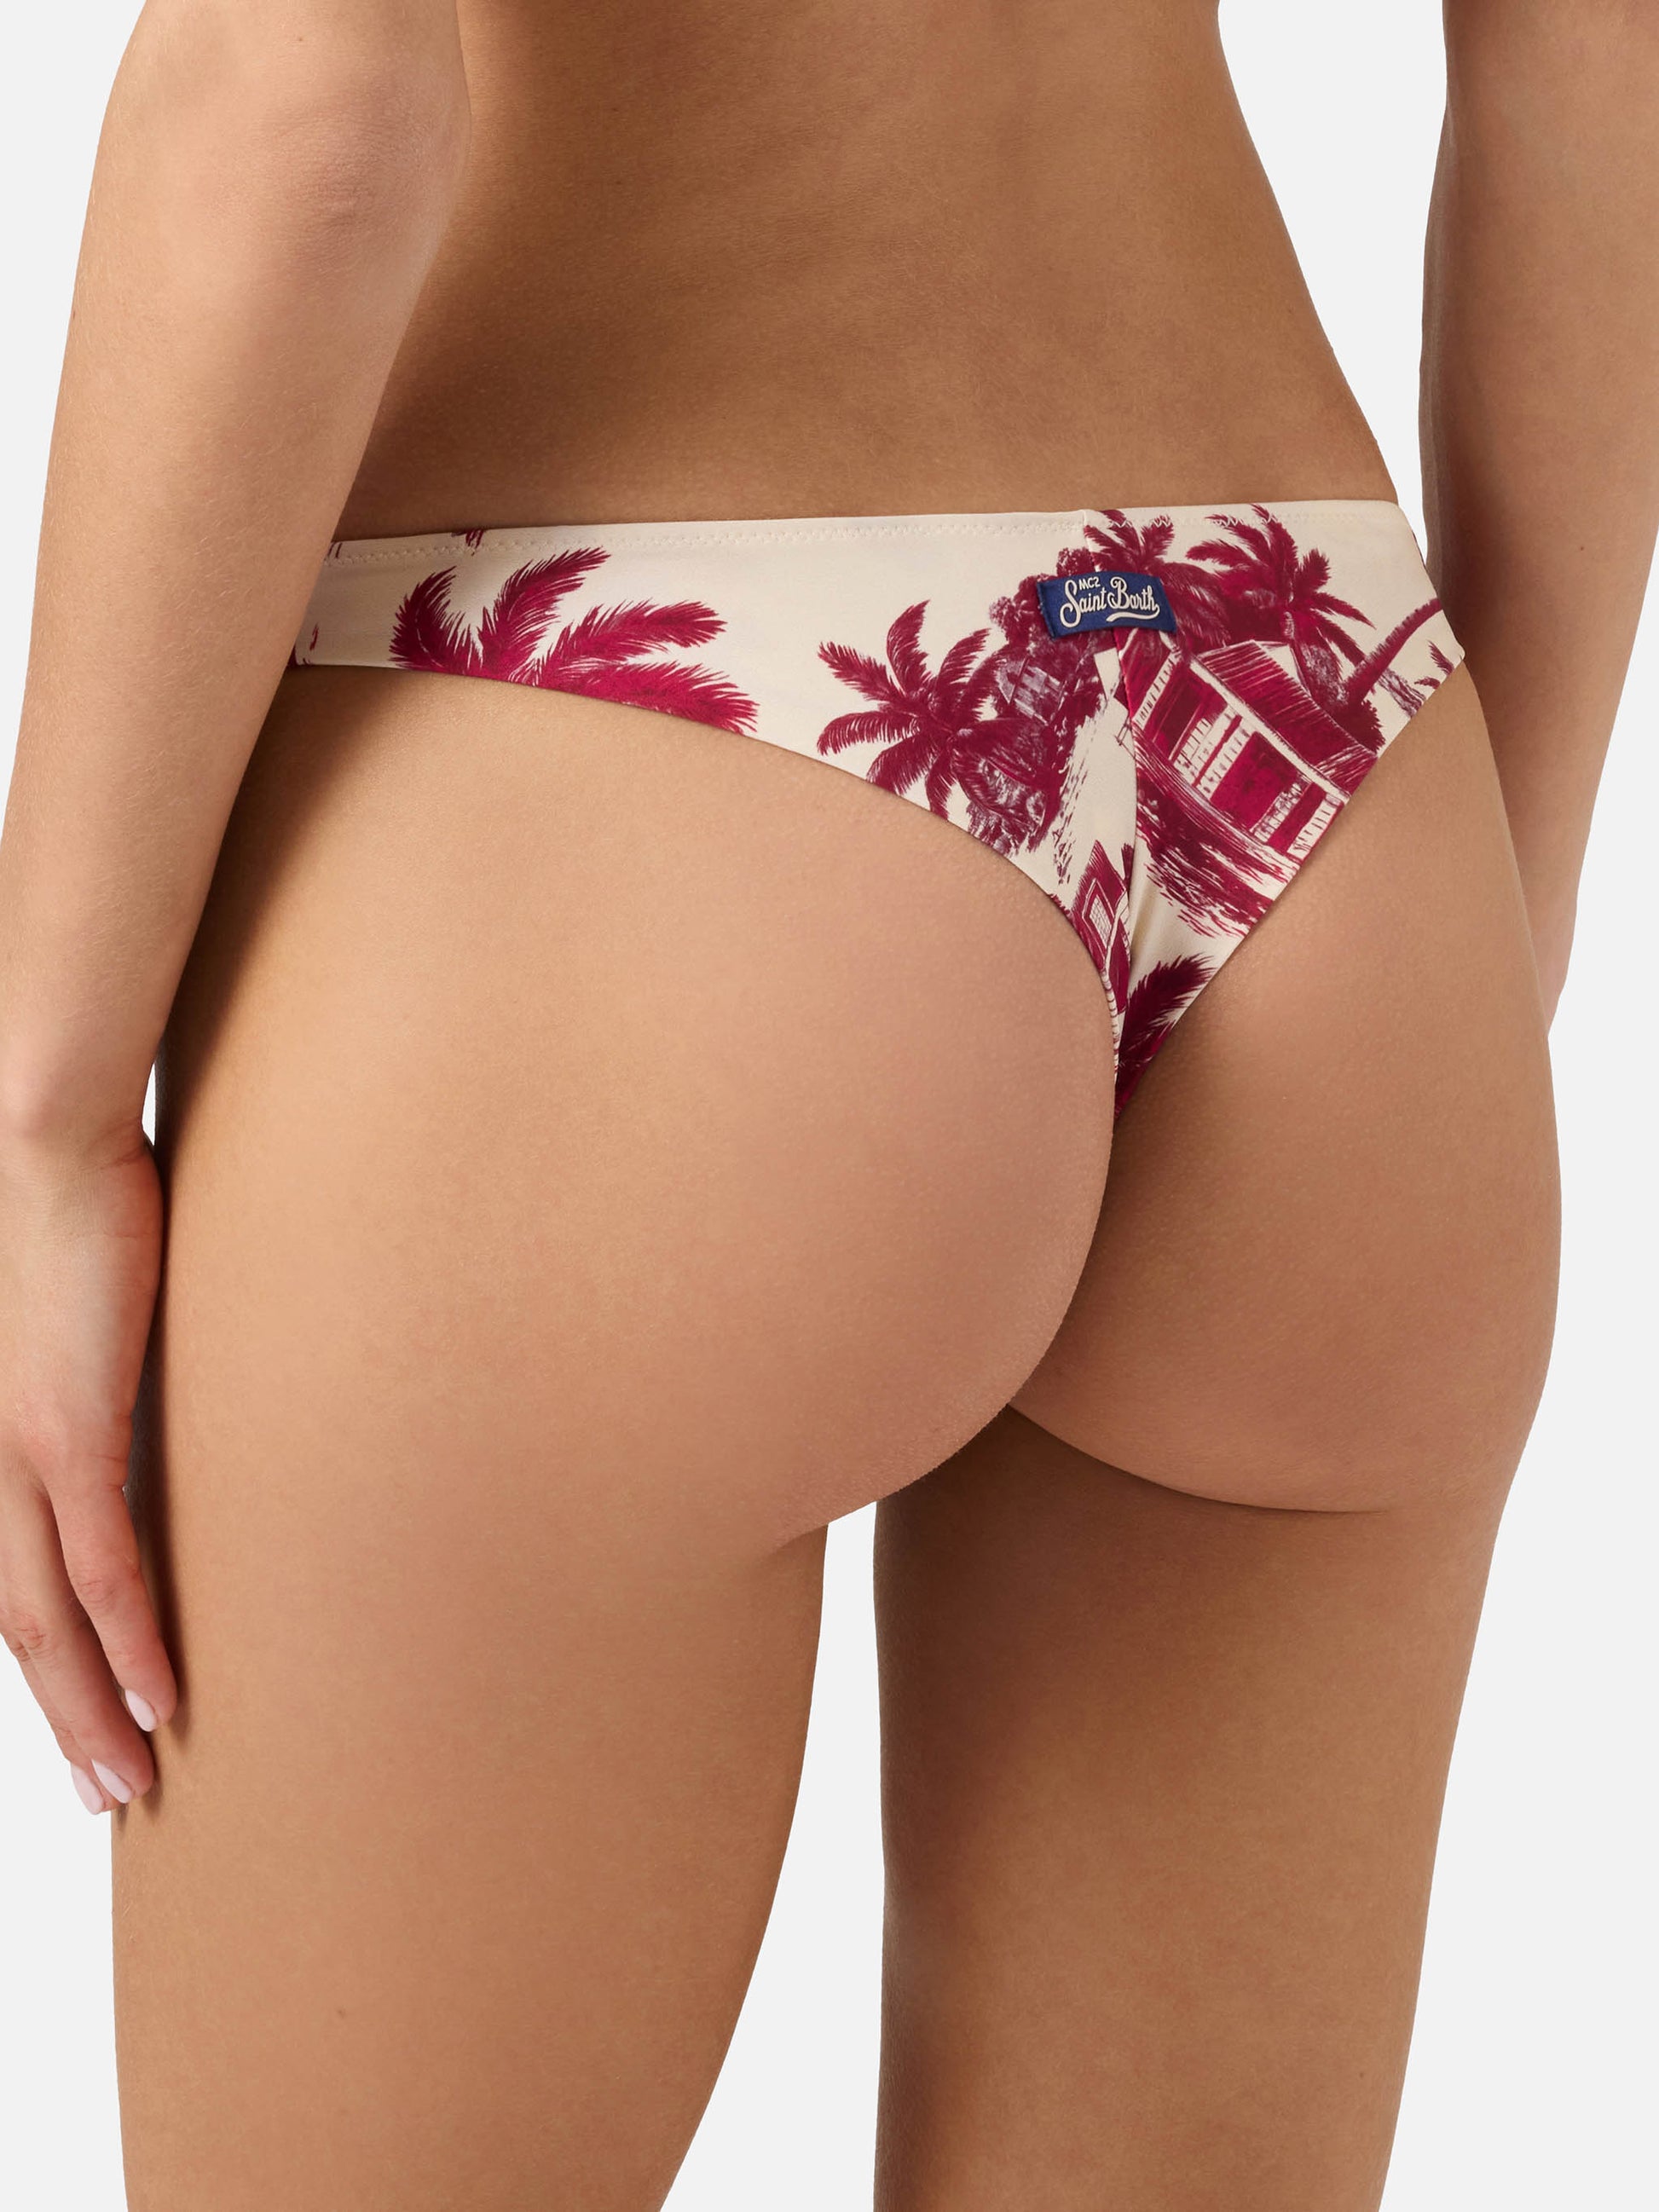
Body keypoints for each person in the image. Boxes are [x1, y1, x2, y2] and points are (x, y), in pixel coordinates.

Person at [0, 3, 1652, 2206]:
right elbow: (1591, 57)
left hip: (630, 716)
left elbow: (302, 98)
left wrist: (42, 1111)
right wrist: (1491, 895)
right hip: (1313, 690)